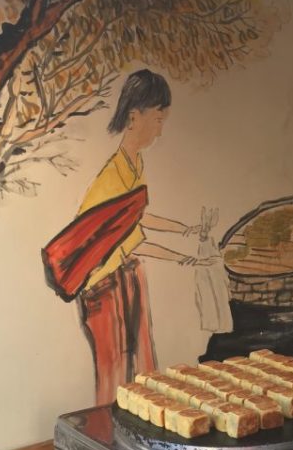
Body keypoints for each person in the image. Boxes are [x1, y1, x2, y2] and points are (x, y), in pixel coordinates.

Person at [43, 70, 207, 404]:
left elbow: (137, 220)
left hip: (127, 276)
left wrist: (185, 230)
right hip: (103, 289)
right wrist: (183, 257)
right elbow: (133, 238)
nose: (161, 129)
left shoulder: (134, 163)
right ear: (135, 116)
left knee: (142, 372)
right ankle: (110, 447)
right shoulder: (112, 176)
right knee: (115, 376)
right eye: (158, 120)